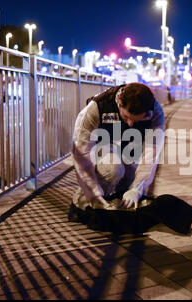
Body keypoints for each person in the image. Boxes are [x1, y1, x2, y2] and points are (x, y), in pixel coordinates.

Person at [70, 83, 165, 213]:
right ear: (119, 100)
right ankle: (82, 204)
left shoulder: (155, 112)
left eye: (136, 120)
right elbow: (81, 153)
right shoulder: (97, 106)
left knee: (129, 185)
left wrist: (137, 189)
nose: (130, 124)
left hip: (129, 148)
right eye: (126, 117)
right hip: (101, 146)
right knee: (113, 169)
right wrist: (93, 193)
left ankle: (113, 197)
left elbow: (151, 153)